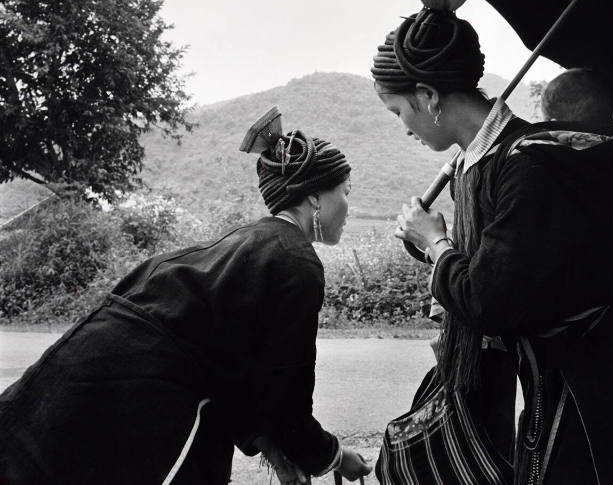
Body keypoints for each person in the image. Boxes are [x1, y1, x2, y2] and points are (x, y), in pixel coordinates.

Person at [373, 0, 613, 483]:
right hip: (578, 389)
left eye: (398, 112)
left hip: (605, 402)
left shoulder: (529, 167)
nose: (404, 127)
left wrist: (436, 243)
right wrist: (436, 245)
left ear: (429, 96)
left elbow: (488, 300)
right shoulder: (489, 163)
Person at [0, 121, 372, 485]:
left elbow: (235, 372)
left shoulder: (245, 242)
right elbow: (284, 400)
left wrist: (272, 446)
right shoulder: (296, 261)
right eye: (346, 190)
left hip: (64, 381)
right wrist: (333, 456)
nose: (349, 205)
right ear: (314, 197)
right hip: (138, 393)